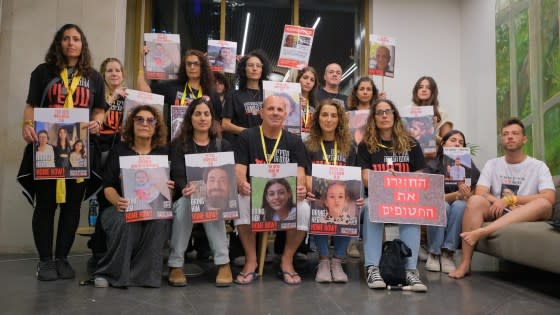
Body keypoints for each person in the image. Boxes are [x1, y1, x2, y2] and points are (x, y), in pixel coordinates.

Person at [21, 24, 105, 281]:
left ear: (83, 44)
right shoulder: (42, 72)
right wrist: (27, 126)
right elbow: (31, 106)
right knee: (46, 205)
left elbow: (100, 109)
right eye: (66, 38)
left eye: (76, 39)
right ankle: (46, 260)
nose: (71, 43)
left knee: (71, 207)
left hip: (78, 151)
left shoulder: (94, 77)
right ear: (59, 42)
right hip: (47, 149)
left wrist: (98, 122)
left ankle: (63, 258)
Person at [449, 118, 556, 279]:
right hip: (498, 210)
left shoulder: (538, 166)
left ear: (524, 139)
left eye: (515, 133)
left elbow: (549, 197)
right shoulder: (493, 164)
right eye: (505, 134)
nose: (510, 137)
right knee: (475, 201)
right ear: (502, 139)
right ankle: (465, 263)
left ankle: (483, 231)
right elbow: (481, 192)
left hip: (526, 213)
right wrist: (497, 201)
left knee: (543, 204)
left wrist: (510, 200)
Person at [233, 95, 310, 285]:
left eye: (279, 110)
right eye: (270, 109)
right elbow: (239, 169)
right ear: (261, 112)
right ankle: (251, 260)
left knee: (304, 208)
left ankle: (287, 259)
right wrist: (242, 183)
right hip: (255, 193)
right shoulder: (247, 136)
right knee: (241, 200)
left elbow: (300, 171)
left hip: (284, 196)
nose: (275, 113)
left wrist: (300, 188)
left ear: (285, 114)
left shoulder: (294, 141)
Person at [94, 105, 172, 288]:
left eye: (150, 120)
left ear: (156, 126)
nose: (145, 124)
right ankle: (110, 273)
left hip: (154, 208)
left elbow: (170, 189)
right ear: (132, 124)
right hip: (120, 208)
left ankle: (142, 276)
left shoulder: (163, 153)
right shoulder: (119, 151)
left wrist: (168, 187)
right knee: (126, 220)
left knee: (160, 222)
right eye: (139, 119)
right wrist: (117, 201)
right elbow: (108, 187)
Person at [357, 99, 428, 292]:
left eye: (388, 111)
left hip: (405, 197)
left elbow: (421, 175)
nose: (384, 115)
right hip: (377, 196)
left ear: (395, 115)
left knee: (412, 211)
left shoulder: (411, 144)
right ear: (374, 118)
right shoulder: (366, 145)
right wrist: (383, 179)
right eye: (379, 113)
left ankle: (411, 270)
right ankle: (372, 267)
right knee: (373, 207)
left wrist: (401, 178)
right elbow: (364, 177)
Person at [168, 98, 234, 287]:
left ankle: (223, 263)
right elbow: (178, 174)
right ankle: (175, 264)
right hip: (188, 196)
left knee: (211, 202)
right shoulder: (179, 145)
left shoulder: (223, 145)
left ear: (212, 118)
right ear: (190, 118)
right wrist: (185, 188)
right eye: (197, 114)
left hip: (217, 198)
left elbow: (228, 177)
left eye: (206, 114)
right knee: (186, 203)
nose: (202, 118)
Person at [303, 99, 359, 282]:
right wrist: (313, 190)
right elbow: (304, 174)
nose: (329, 119)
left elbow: (353, 176)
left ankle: (337, 260)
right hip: (317, 193)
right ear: (317, 118)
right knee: (316, 205)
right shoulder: (308, 144)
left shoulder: (349, 145)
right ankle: (324, 260)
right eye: (324, 115)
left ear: (339, 119)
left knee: (352, 207)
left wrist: (356, 196)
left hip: (341, 194)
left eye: (333, 115)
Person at [424, 130, 480, 273]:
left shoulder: (468, 165)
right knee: (443, 206)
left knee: (460, 206)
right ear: (443, 144)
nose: (457, 144)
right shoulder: (433, 166)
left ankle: (448, 252)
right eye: (453, 140)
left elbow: (475, 191)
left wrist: (467, 195)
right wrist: (457, 194)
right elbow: (431, 197)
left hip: (459, 202)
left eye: (461, 142)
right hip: (439, 202)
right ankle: (434, 253)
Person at [138, 49, 221, 126]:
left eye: (196, 64)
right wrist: (142, 61)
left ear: (203, 67)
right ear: (184, 67)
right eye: (188, 64)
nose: (192, 67)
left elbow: (216, 123)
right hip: (176, 140)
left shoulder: (212, 93)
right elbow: (144, 91)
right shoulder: (172, 86)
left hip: (201, 139)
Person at [221, 50, 271, 142]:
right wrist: (250, 133)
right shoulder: (234, 95)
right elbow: (225, 124)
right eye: (250, 65)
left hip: (263, 144)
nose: (254, 68)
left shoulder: (269, 95)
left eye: (258, 66)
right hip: (240, 144)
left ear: (262, 70)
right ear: (244, 69)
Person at [98, 57, 126, 152]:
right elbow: (98, 121)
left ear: (122, 75)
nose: (114, 74)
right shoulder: (97, 95)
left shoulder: (129, 96)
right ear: (103, 75)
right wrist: (113, 97)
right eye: (110, 71)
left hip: (122, 147)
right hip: (100, 146)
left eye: (118, 71)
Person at [297, 66, 318, 137]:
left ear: (314, 85)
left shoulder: (316, 106)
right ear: (298, 79)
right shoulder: (289, 101)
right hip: (290, 140)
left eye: (312, 80)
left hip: (309, 142)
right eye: (305, 78)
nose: (308, 82)